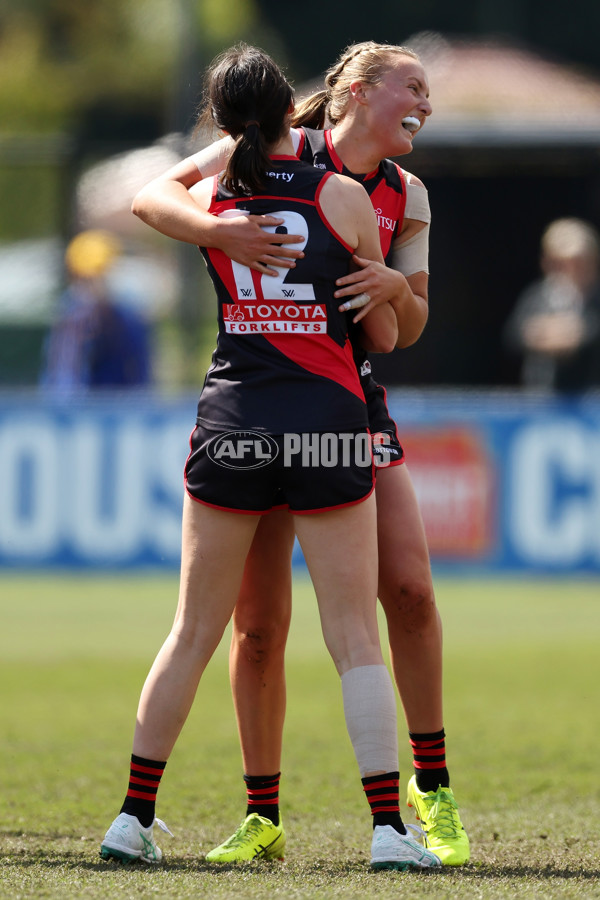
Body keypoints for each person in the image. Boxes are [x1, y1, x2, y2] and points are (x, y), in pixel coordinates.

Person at [100, 43, 441, 872]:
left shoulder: (215, 194)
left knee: (193, 632)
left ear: (221, 122)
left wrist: (218, 230)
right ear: (298, 106)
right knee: (355, 633)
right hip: (327, 424)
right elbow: (386, 336)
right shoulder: (345, 195)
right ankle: (389, 832)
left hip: (234, 421)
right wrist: (386, 290)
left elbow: (147, 200)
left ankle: (132, 817)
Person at [41, 230, 152, 392]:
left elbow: (141, 378)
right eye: (88, 279)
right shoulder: (71, 316)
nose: (95, 286)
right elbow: (61, 381)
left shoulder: (129, 318)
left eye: (100, 277)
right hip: (78, 410)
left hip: (120, 406)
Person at [504, 217, 600, 392]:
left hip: (592, 404)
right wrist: (539, 333)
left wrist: (580, 333)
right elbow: (513, 335)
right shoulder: (536, 296)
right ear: (546, 262)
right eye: (560, 263)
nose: (569, 270)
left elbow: (589, 332)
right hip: (543, 400)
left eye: (577, 262)